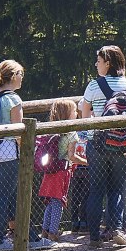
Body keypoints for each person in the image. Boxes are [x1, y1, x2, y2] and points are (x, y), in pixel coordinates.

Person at [0, 60, 55, 251]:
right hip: (9, 153)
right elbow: (19, 133)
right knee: (5, 198)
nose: (22, 78)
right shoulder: (14, 99)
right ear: (14, 76)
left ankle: (30, 238)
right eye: (20, 74)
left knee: (11, 198)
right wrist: (32, 150)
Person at [80, 46, 126, 248]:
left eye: (98, 61)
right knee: (116, 190)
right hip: (124, 145)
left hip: (98, 144)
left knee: (96, 190)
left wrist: (86, 141)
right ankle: (117, 229)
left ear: (107, 63)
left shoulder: (93, 86)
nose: (96, 64)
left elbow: (84, 117)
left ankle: (93, 237)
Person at [39, 99, 88, 242]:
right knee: (58, 202)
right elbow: (72, 156)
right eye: (74, 111)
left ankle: (45, 230)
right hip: (62, 171)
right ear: (67, 114)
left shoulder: (52, 130)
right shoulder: (72, 134)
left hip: (50, 171)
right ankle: (53, 232)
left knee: (50, 202)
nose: (76, 114)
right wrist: (87, 161)